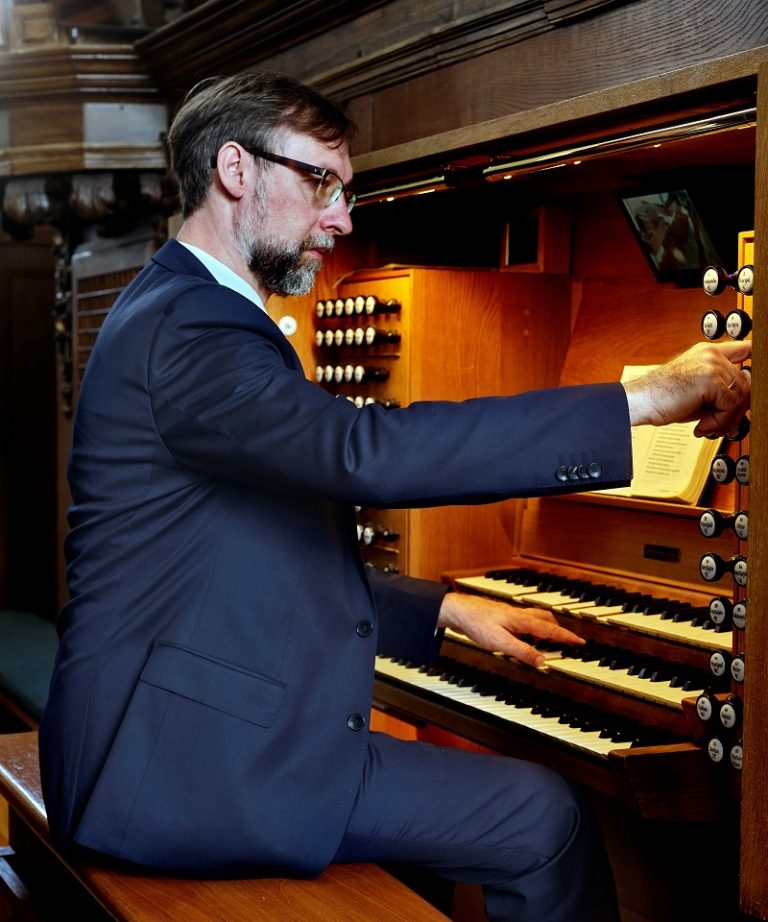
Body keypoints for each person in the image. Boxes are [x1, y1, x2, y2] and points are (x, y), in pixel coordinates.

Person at [38, 71, 751, 922]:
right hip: (178, 768)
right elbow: (361, 450)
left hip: (172, 742)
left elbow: (251, 551)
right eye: (321, 183)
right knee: (543, 818)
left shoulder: (183, 310)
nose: (341, 218)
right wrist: (638, 400)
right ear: (235, 170)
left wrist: (444, 610)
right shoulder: (190, 327)